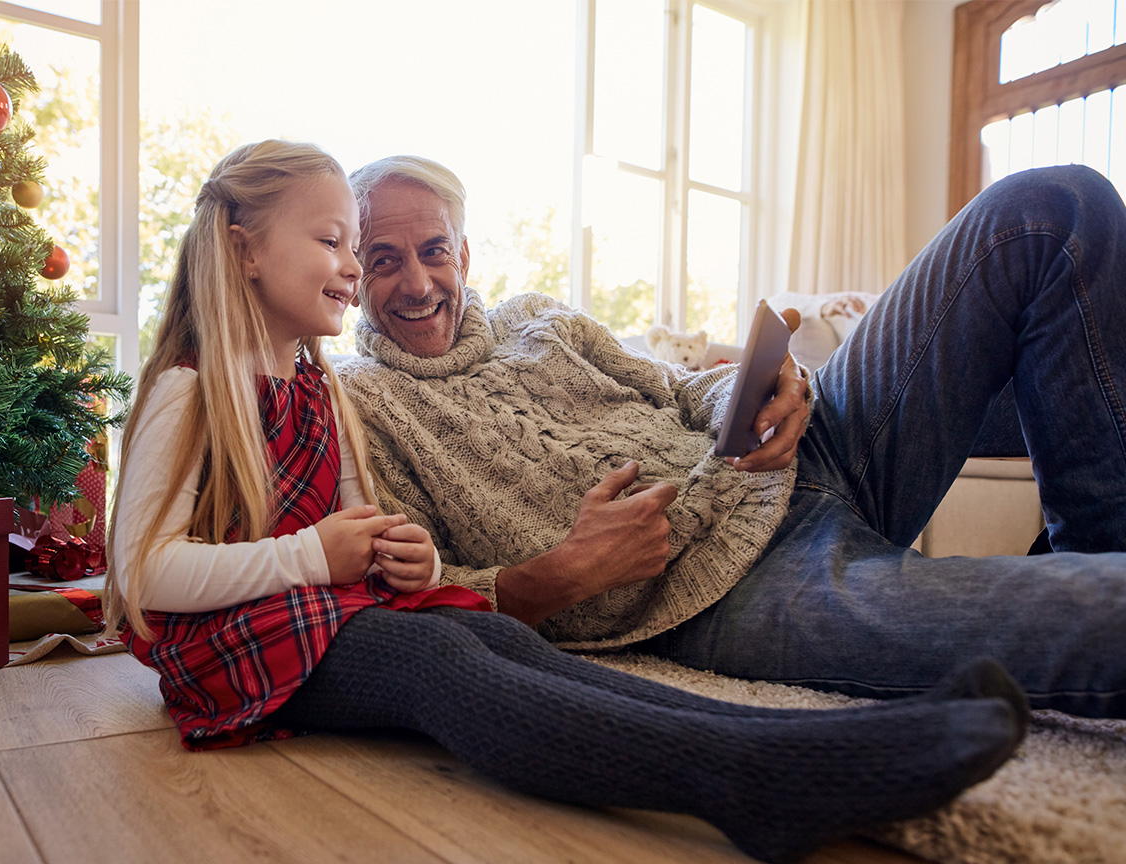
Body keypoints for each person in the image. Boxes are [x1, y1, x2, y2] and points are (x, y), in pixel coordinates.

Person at [103, 139, 1028, 864]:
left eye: (378, 246)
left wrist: (407, 560)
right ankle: (744, 776)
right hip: (243, 636)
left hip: (327, 603)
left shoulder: (323, 390)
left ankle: (808, 747)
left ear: (464, 252)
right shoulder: (200, 387)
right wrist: (317, 560)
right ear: (245, 251)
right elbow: (142, 575)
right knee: (442, 663)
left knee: (488, 635)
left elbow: (363, 527)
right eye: (343, 245)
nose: (361, 270)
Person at [338, 154, 1126, 719]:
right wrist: (560, 574)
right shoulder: (358, 407)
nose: (416, 281)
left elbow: (682, 389)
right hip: (728, 592)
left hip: (813, 452)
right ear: (352, 274)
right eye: (383, 260)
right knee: (1107, 610)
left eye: (433, 250)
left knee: (1054, 207)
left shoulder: (539, 318)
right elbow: (409, 609)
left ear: (464, 255)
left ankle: (1101, 532)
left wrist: (766, 389)